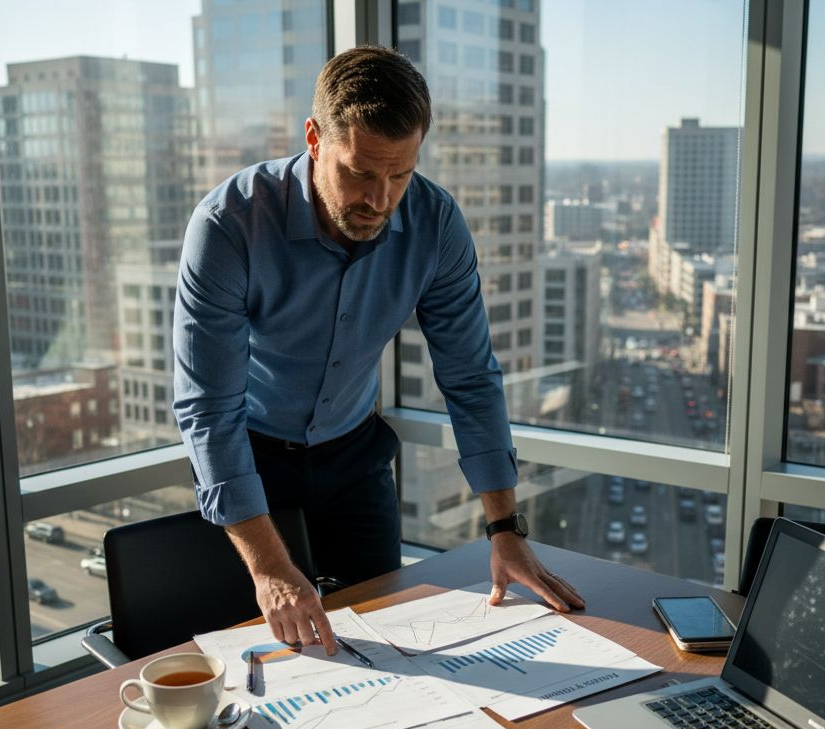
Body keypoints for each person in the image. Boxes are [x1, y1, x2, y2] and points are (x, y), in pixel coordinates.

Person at [173, 45, 584, 656]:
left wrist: (504, 529)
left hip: (354, 457)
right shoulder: (229, 225)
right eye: (360, 173)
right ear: (315, 138)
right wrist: (266, 568)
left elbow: (470, 376)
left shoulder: (435, 222)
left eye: (400, 174)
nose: (380, 199)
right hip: (252, 459)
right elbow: (209, 409)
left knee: (382, 641)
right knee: (262, 658)